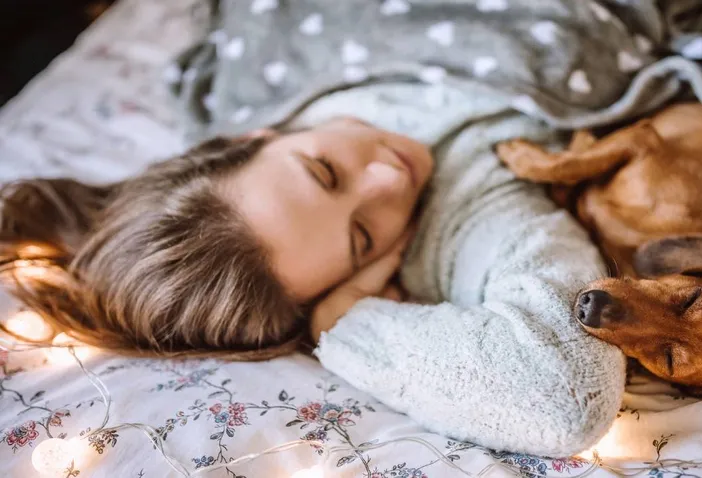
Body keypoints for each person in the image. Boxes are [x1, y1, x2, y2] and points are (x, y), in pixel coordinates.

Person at [0, 82, 625, 456]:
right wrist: (348, 323)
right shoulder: (470, 210)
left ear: (256, 136)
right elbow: (564, 401)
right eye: (362, 237)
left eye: (324, 171)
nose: (386, 178)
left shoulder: (258, 82)